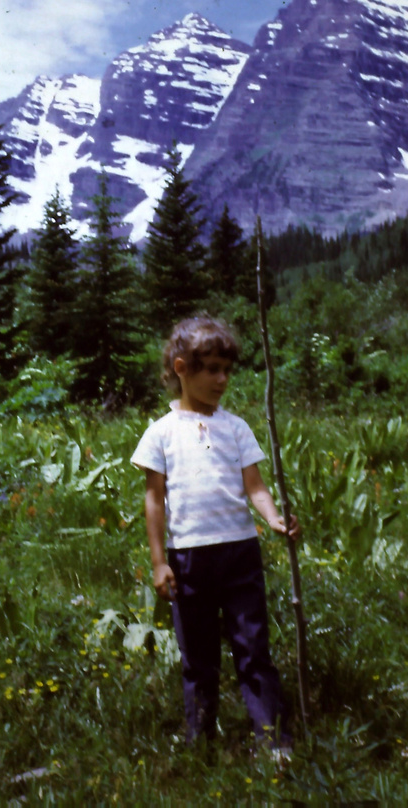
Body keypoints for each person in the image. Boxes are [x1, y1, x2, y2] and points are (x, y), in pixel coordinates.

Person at [131, 315, 300, 749]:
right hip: (189, 559)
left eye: (227, 369)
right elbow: (154, 500)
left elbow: (255, 487)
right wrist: (158, 561)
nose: (222, 379)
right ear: (182, 368)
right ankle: (200, 742)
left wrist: (274, 518)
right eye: (212, 369)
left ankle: (272, 741)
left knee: (253, 649)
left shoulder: (236, 427)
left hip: (240, 554)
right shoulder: (161, 433)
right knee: (199, 658)